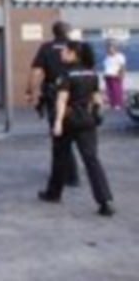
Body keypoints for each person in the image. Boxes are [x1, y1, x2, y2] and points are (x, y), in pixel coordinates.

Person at [38, 41, 115, 217]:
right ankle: (105, 201)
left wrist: (57, 122)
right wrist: (97, 115)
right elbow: (97, 99)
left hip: (68, 121)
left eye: (65, 51)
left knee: (60, 157)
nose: (61, 53)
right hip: (87, 122)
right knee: (92, 160)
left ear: (73, 54)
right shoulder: (92, 73)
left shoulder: (65, 74)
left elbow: (62, 100)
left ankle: (53, 193)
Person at [27, 21, 80, 187]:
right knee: (72, 133)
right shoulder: (76, 47)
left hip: (55, 94)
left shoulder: (46, 48)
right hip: (76, 94)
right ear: (67, 32)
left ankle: (67, 173)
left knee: (58, 133)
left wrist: (30, 91)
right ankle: (70, 172)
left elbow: (36, 72)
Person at [103, 41, 126, 110]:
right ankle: (112, 103)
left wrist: (121, 74)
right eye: (108, 49)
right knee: (109, 90)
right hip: (108, 75)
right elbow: (106, 67)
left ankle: (117, 104)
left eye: (111, 48)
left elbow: (122, 66)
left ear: (115, 49)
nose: (109, 50)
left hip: (116, 75)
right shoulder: (107, 57)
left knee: (117, 90)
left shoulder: (119, 56)